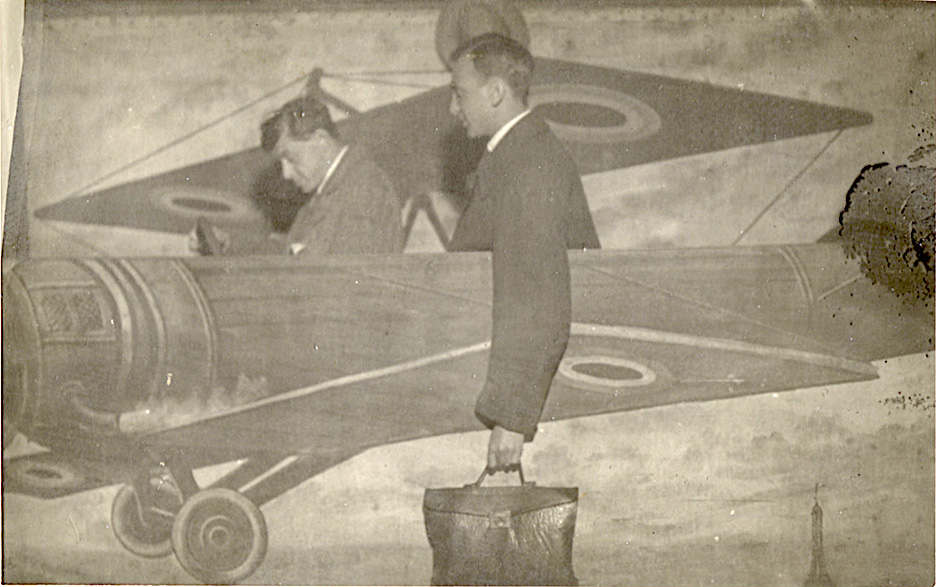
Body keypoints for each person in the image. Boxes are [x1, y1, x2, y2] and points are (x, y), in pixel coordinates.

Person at [446, 33, 601, 472]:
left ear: (495, 93)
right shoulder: (512, 156)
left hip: (523, 402)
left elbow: (537, 295)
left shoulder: (528, 164)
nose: (452, 108)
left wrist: (512, 417)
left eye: (459, 93)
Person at [194, 95, 403, 256]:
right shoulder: (329, 192)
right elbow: (288, 255)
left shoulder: (363, 187)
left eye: (290, 158)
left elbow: (329, 278)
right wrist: (230, 244)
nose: (286, 174)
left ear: (320, 139)